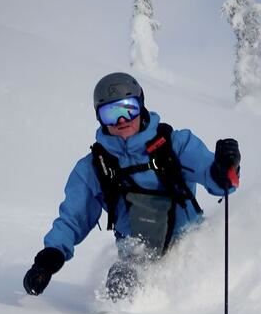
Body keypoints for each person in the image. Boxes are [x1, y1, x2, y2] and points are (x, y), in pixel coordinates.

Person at [23, 72, 241, 301]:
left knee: (202, 292)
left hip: (190, 247)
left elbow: (220, 184)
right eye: (110, 113)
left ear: (141, 105)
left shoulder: (175, 145)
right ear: (99, 118)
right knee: (120, 287)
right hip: (137, 258)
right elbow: (73, 218)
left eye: (128, 108)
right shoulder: (95, 167)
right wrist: (49, 259)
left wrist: (225, 167)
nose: (121, 120)